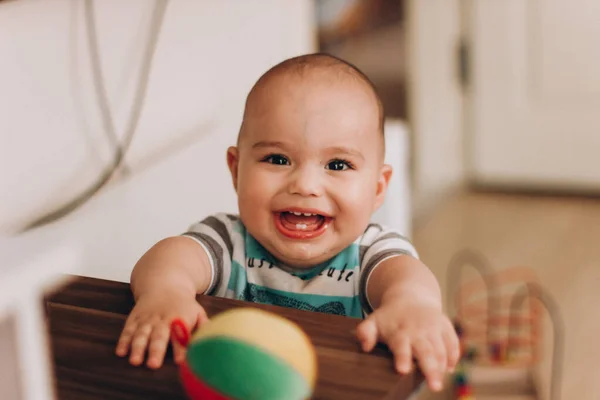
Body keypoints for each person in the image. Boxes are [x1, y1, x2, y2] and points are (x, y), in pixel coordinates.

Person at [115, 53, 459, 392]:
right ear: (236, 171)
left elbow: (406, 278)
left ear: (377, 188)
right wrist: (166, 293)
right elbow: (170, 258)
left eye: (337, 165)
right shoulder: (228, 241)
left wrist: (413, 305)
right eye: (277, 159)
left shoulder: (370, 252)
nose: (305, 185)